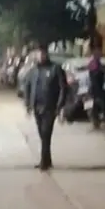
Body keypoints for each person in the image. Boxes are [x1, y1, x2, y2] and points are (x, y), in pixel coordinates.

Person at [23, 42, 67, 171]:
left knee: (46, 133)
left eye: (43, 53)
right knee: (42, 134)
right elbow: (27, 86)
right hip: (37, 107)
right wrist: (28, 104)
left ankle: (43, 162)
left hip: (50, 107)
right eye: (38, 54)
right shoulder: (33, 70)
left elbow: (63, 88)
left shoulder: (55, 68)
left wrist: (60, 106)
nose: (41, 56)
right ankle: (47, 159)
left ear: (47, 54)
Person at [88, 44, 105, 127]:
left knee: (98, 105)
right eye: (99, 52)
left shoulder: (97, 62)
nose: (101, 53)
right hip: (96, 88)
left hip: (97, 88)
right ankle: (103, 119)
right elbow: (95, 77)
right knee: (101, 105)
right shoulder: (94, 63)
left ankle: (98, 120)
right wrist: (98, 91)